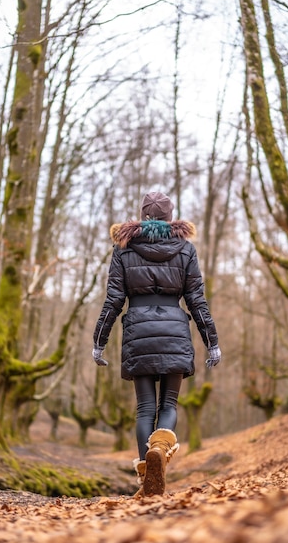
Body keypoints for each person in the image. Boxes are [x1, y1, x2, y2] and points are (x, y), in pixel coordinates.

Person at [92, 191, 221, 497]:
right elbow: (197, 300)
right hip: (175, 328)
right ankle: (160, 451)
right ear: (169, 216)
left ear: (143, 216)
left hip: (138, 330)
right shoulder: (185, 249)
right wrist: (212, 342)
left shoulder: (123, 249)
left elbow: (113, 300)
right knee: (169, 404)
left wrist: (99, 341)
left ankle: (147, 478)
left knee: (144, 408)